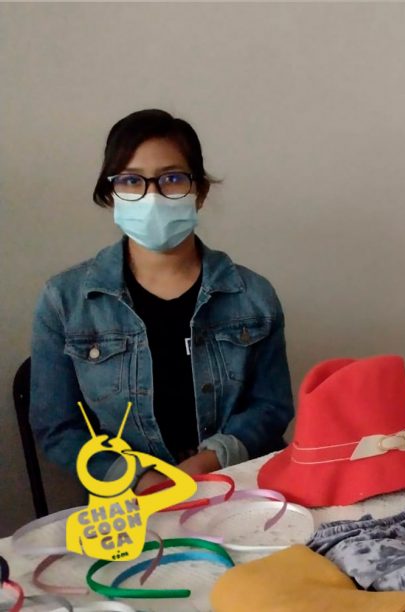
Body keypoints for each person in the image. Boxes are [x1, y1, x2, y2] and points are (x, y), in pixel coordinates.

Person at [30, 109, 294, 492]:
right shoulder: (65, 300)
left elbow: (271, 406)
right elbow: (57, 427)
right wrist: (136, 479)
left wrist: (209, 462)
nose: (152, 196)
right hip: (129, 502)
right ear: (112, 195)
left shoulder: (253, 296)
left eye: (172, 178)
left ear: (199, 192)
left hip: (239, 489)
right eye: (131, 180)